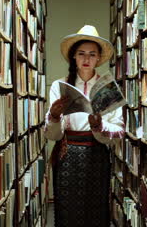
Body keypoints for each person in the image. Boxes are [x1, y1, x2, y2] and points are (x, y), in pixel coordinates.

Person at [44, 25, 124, 226]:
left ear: (98, 58)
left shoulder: (108, 88)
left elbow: (119, 129)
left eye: (92, 54)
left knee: (95, 211)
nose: (86, 59)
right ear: (73, 57)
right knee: (67, 211)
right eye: (81, 54)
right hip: (67, 156)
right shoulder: (59, 86)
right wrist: (54, 116)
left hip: (97, 155)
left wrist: (99, 126)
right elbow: (52, 136)